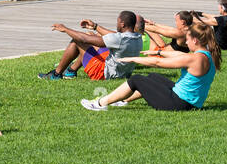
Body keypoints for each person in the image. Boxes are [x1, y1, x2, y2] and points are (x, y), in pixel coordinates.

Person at [80, 16, 219, 111]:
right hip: (190, 102)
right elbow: (179, 55)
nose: (186, 42)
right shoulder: (207, 55)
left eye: (188, 39)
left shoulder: (194, 59)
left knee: (136, 79)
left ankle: (100, 104)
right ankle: (123, 100)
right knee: (153, 77)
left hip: (179, 103)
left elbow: (158, 63)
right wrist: (158, 52)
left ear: (195, 40)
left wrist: (134, 59)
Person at [38, 11, 143, 80]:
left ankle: (56, 74)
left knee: (78, 41)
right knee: (91, 35)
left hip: (104, 74)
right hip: (122, 72)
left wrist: (65, 29)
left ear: (122, 24)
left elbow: (84, 39)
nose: (116, 24)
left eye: (118, 22)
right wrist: (95, 26)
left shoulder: (119, 39)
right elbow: (113, 35)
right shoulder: (137, 37)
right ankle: (70, 72)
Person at [141, 0, 227, 52]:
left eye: (176, 21)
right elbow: (168, 28)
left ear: (183, 22)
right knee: (151, 29)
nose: (175, 23)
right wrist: (154, 23)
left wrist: (139, 26)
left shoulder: (180, 33)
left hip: (160, 53)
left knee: (149, 31)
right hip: (223, 45)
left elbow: (203, 22)